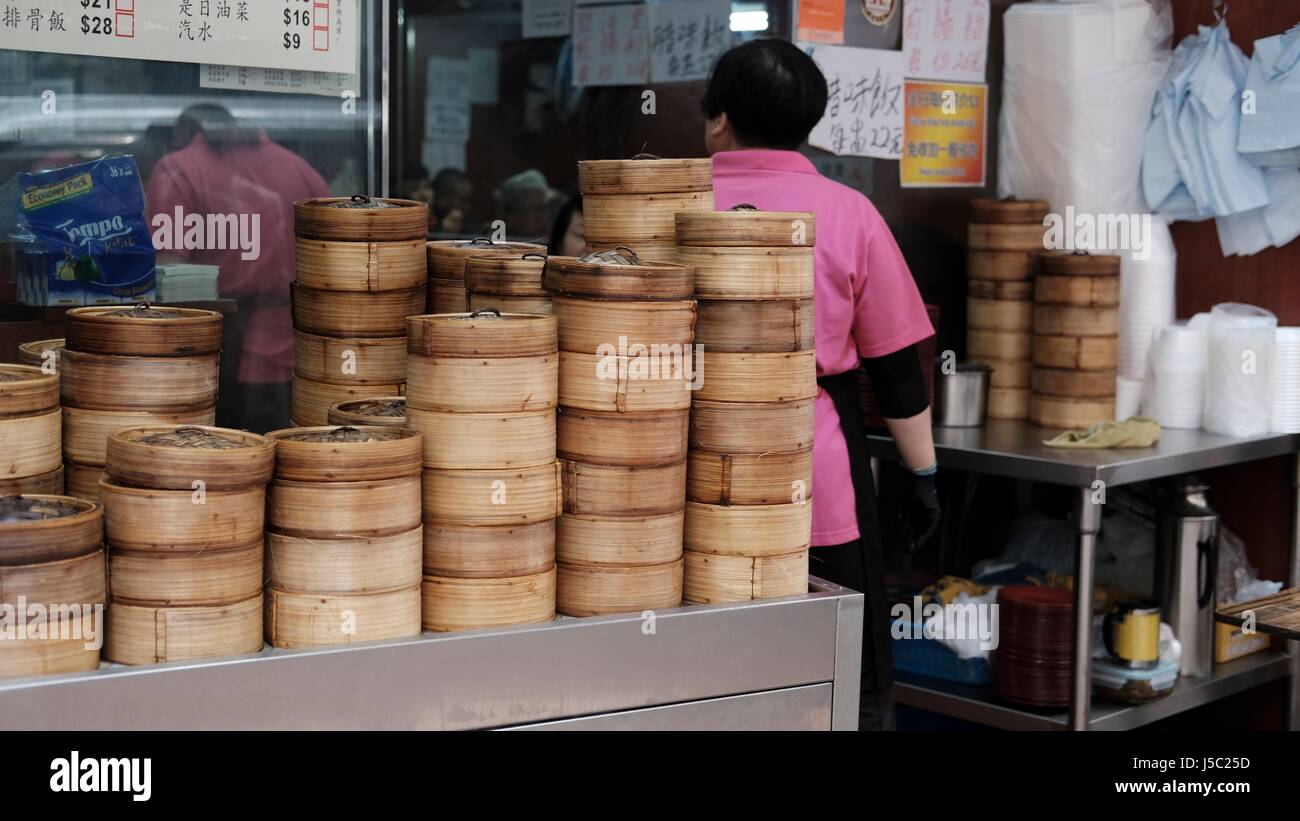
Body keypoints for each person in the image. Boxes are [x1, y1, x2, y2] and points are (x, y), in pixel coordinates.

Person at [701, 40, 942, 730]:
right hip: (817, 488)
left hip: (683, 488)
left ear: (719, 121)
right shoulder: (849, 212)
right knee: (838, 686)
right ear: (809, 123)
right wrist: (923, 476)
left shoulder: (667, 206)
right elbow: (897, 370)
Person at [147, 103, 331, 433]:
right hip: (300, 359)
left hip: (218, 360)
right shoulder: (305, 172)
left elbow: (169, 275)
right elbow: (333, 269)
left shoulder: (178, 169)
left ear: (185, 133)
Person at [431, 167, 473, 235]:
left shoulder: (467, 223)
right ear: (444, 197)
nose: (467, 206)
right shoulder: (427, 223)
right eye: (463, 200)